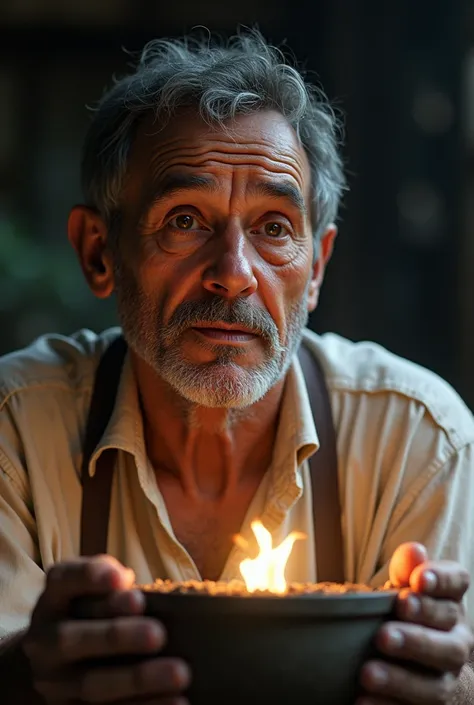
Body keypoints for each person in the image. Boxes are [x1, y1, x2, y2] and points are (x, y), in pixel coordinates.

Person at [0, 28, 473, 705]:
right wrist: (26, 675)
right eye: (185, 219)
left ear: (316, 270)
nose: (233, 275)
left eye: (274, 227)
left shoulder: (420, 441)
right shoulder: (14, 428)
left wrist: (453, 688)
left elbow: (456, 667)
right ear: (100, 252)